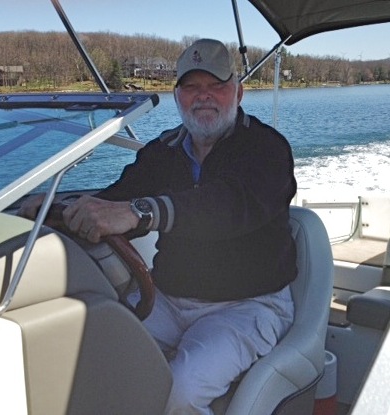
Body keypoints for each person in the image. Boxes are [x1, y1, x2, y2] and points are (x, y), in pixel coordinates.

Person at [20, 39, 297, 415]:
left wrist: (141, 212)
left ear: (239, 91)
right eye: (192, 87)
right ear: (177, 95)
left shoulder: (267, 149)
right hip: (166, 298)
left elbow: (228, 205)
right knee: (94, 360)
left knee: (176, 391)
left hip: (248, 305)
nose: (204, 97)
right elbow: (115, 200)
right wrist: (57, 206)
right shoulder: (162, 152)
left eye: (216, 86)